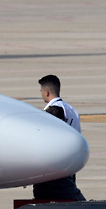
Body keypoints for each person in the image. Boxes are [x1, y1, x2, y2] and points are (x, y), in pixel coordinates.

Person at [34, 74, 85, 202]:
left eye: (41, 91)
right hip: (71, 163)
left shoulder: (54, 111)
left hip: (55, 166)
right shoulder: (72, 110)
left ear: (46, 92)